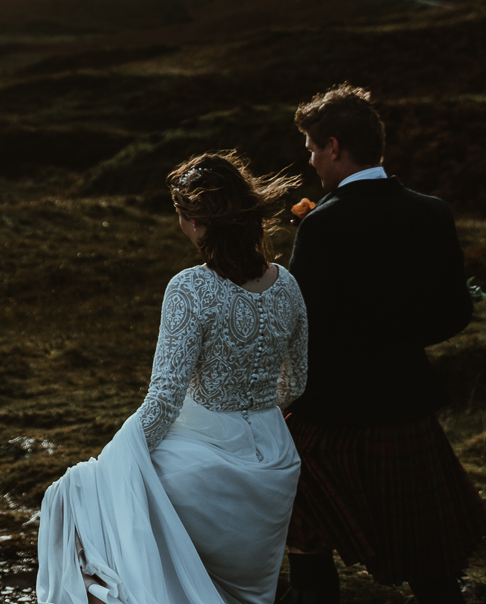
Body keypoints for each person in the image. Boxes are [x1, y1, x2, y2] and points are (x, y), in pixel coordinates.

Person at [36, 151, 310, 604]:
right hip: (274, 471)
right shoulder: (288, 285)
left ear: (199, 224)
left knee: (79, 498)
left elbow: (164, 401)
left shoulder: (190, 287)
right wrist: (255, 408)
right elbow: (296, 384)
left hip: (206, 474)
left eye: (182, 215)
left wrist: (111, 465)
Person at [281, 84, 486, 604]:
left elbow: (299, 326)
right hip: (406, 405)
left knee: (298, 515)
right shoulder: (432, 212)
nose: (310, 162)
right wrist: (395, 337)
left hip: (333, 415)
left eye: (311, 149)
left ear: (334, 147)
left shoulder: (323, 225)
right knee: (427, 550)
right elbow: (454, 312)